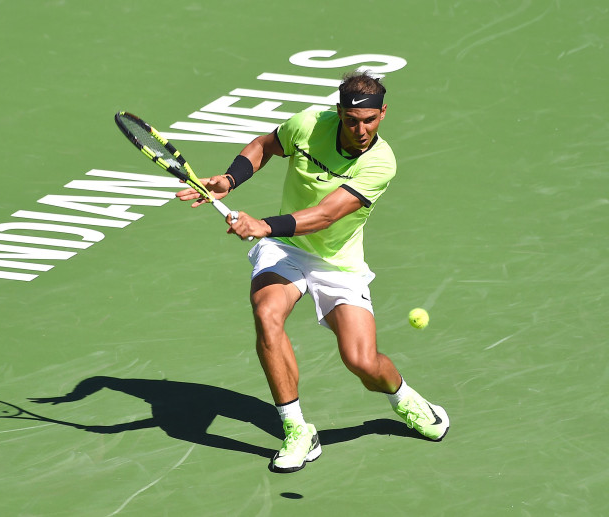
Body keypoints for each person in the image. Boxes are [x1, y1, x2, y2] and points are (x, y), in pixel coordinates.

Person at [176, 70, 449, 473]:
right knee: (267, 314)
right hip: (285, 248)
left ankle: (405, 398)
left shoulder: (381, 163)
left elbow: (325, 215)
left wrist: (262, 225)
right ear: (338, 112)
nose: (361, 129)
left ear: (383, 113)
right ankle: (298, 430)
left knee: (362, 362)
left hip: (338, 263)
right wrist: (230, 178)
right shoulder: (307, 124)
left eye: (370, 120)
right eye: (352, 120)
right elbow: (265, 145)